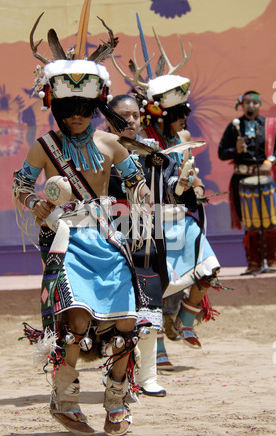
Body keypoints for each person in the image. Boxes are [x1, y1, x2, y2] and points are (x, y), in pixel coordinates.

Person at [12, 14, 152, 436]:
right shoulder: (45, 146)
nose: (75, 117)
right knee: (74, 320)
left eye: (83, 108)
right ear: (55, 107)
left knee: (127, 320)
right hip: (66, 239)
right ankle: (66, 401)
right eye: (67, 109)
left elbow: (135, 179)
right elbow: (20, 182)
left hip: (108, 238)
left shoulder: (110, 142)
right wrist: (35, 202)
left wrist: (142, 193)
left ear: (94, 107)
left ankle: (115, 403)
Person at [111, 30, 222, 369]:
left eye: (183, 113)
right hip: (137, 223)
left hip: (174, 219)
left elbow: (179, 181)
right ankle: (155, 346)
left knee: (208, 270)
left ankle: (184, 321)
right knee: (153, 286)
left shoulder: (173, 141)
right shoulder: (127, 144)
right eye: (175, 115)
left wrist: (192, 186)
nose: (182, 121)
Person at [106, 94, 200, 396]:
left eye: (135, 115)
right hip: (110, 238)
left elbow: (170, 191)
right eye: (123, 115)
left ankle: (147, 377)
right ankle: (118, 377)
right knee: (118, 315)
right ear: (109, 119)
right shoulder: (97, 151)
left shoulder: (154, 154)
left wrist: (182, 184)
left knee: (149, 309)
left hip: (148, 237)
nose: (131, 121)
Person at [218, 91, 276, 273]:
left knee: (272, 221)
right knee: (250, 222)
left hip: (266, 178)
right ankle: (254, 263)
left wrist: (270, 161)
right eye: (247, 102)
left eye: (254, 102)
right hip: (242, 180)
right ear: (242, 105)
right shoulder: (234, 127)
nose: (251, 106)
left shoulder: (269, 125)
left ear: (259, 105)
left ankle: (273, 260)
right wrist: (236, 151)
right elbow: (222, 153)